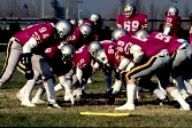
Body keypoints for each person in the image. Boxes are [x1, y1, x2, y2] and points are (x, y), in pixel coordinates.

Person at [0, 20, 72, 108]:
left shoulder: (55, 37)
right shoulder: (48, 30)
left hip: (33, 50)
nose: (68, 37)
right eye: (67, 34)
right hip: (18, 44)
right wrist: (28, 67)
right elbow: (27, 46)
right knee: (8, 73)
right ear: (62, 30)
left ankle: (51, 102)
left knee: (46, 71)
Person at [115, 30, 190, 111]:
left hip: (157, 57)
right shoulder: (136, 38)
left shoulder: (121, 41)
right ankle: (185, 105)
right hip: (166, 56)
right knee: (165, 82)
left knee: (129, 76)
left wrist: (133, 65)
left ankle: (129, 104)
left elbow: (138, 51)